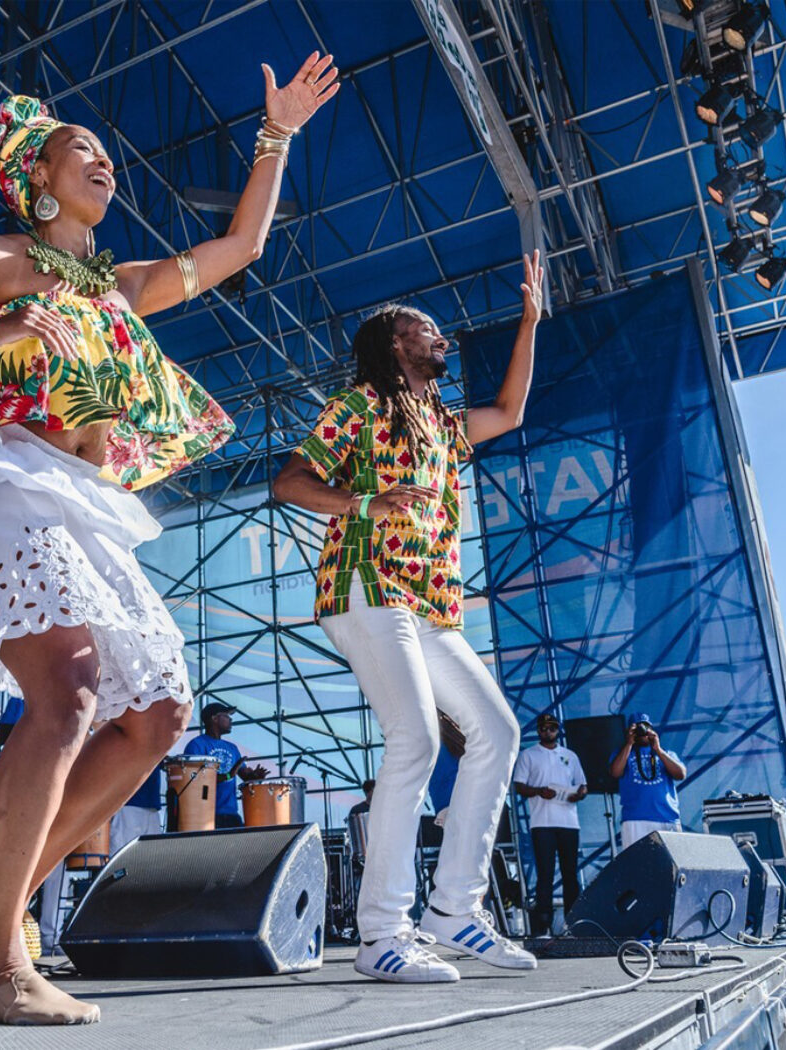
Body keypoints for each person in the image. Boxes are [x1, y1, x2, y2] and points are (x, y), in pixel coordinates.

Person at [0, 56, 338, 1027]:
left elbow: (240, 247)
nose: (103, 163)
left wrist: (277, 135)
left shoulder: (118, 287)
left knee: (160, 717)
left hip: (82, 501)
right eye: (76, 151)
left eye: (103, 154)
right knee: (68, 691)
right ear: (35, 178)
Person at [272, 252, 545, 983]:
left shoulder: (442, 424)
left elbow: (511, 411)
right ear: (395, 342)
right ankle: (381, 933)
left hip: (428, 603)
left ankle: (454, 912)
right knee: (417, 739)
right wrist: (365, 502)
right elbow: (289, 482)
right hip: (366, 584)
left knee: (497, 732)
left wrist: (529, 322)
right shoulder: (358, 407)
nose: (439, 333)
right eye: (424, 326)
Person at [513, 712, 587, 935]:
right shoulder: (529, 755)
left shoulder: (570, 756)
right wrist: (538, 791)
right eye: (544, 728)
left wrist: (579, 794)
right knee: (545, 873)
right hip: (542, 822)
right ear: (538, 730)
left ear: (558, 730)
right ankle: (543, 926)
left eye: (552, 728)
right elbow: (519, 785)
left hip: (568, 822)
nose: (548, 731)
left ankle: (572, 924)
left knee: (570, 874)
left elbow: (583, 784)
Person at [183, 702, 269, 828]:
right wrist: (228, 775)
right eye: (227, 716)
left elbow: (245, 776)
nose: (231, 720)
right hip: (205, 814)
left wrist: (255, 777)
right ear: (214, 718)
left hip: (231, 813)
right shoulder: (196, 745)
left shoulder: (232, 748)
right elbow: (196, 780)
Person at [608, 713, 687, 848]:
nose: (642, 731)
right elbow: (615, 772)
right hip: (635, 819)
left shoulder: (667, 753)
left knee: (671, 865)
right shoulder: (622, 753)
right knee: (638, 865)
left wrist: (658, 749)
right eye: (637, 728)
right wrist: (629, 744)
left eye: (645, 727)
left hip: (667, 817)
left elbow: (680, 775)